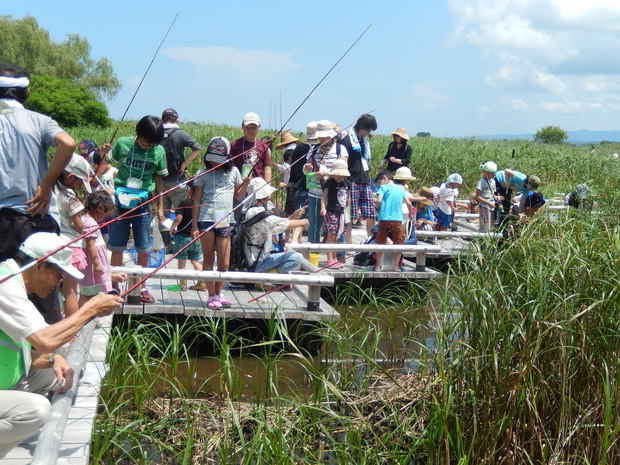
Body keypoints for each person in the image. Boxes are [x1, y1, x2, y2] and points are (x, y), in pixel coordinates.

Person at [0, 232, 123, 458]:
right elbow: (45, 340)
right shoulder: (5, 286)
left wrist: (52, 359)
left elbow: (32, 348)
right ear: (39, 266)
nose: (60, 283)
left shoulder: (12, 281)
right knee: (36, 410)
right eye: (59, 274)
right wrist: (91, 309)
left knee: (55, 369)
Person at [101, 115, 168, 304]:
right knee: (117, 245)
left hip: (143, 203)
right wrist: (103, 152)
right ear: (138, 133)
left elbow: (159, 180)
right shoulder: (123, 143)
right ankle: (113, 287)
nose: (148, 145)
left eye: (153, 143)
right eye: (146, 140)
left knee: (144, 247)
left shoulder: (159, 150)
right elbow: (106, 163)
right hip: (120, 202)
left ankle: (141, 287)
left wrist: (160, 206)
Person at [191, 137, 249, 309]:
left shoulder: (234, 172)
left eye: (219, 160)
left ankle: (218, 292)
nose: (215, 163)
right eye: (212, 159)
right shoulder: (202, 173)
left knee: (224, 262)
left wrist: (245, 185)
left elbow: (238, 196)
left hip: (225, 219)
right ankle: (211, 296)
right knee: (208, 258)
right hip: (206, 218)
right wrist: (194, 225)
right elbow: (197, 200)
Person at [244, 178, 309, 284]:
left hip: (253, 259)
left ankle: (269, 277)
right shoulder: (258, 213)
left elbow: (275, 225)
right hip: (258, 262)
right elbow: (278, 225)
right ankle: (267, 278)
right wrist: (303, 222)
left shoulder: (249, 210)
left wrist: (293, 216)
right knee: (297, 258)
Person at [54, 154, 93, 316]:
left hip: (53, 245)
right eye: (79, 182)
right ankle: (72, 330)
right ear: (70, 177)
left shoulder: (50, 189)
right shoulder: (70, 198)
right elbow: (79, 226)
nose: (79, 186)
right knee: (70, 291)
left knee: (54, 287)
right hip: (72, 247)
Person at [303, 120, 348, 244]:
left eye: (324, 137)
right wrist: (306, 168)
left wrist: (325, 173)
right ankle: (313, 251)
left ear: (331, 135)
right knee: (314, 224)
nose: (321, 140)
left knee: (338, 225)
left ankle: (339, 253)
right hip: (315, 191)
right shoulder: (313, 149)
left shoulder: (340, 149)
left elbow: (343, 170)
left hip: (334, 194)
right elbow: (307, 168)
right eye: (320, 137)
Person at [339, 113, 378, 238]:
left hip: (364, 180)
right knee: (350, 215)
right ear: (362, 126)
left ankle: (371, 241)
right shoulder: (347, 139)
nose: (368, 132)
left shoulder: (364, 142)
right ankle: (349, 244)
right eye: (367, 129)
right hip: (351, 181)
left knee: (371, 213)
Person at [79, 191, 119, 303]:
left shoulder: (86, 219)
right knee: (88, 293)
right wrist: (97, 264)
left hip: (94, 263)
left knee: (92, 291)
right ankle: (83, 315)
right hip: (93, 264)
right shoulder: (91, 223)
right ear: (99, 210)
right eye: (105, 213)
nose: (105, 217)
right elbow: (90, 245)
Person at [159, 108, 202, 211]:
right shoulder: (181, 133)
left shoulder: (156, 133)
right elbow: (198, 148)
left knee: (162, 213)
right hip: (177, 179)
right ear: (177, 120)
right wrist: (184, 164)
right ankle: (178, 227)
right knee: (180, 212)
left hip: (159, 180)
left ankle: (164, 227)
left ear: (162, 120)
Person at [374, 167, 413, 271]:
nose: (380, 184)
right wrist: (410, 216)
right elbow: (409, 203)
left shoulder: (383, 188)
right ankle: (396, 266)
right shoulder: (401, 189)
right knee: (399, 242)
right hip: (397, 220)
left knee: (380, 242)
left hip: (384, 219)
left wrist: (377, 208)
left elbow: (378, 201)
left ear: (384, 178)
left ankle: (378, 266)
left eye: (379, 182)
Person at [170, 181, 203, 291]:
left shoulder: (184, 202)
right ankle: (202, 283)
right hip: (196, 238)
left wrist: (172, 227)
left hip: (183, 238)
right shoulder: (202, 204)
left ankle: (182, 285)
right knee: (195, 261)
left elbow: (178, 218)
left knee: (182, 262)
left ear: (189, 190)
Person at [320, 159, 351, 269]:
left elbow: (348, 198)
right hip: (331, 211)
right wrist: (323, 208)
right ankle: (329, 259)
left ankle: (334, 258)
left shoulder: (347, 183)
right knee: (330, 235)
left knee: (338, 235)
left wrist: (349, 211)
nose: (340, 177)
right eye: (338, 175)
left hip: (342, 213)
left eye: (342, 175)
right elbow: (324, 197)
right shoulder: (330, 182)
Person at [230, 112, 272, 182]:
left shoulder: (264, 147)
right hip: (239, 184)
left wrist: (267, 186)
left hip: (258, 186)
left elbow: (267, 168)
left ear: (259, 128)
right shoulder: (234, 145)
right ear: (242, 126)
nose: (250, 131)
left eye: (254, 128)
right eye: (247, 128)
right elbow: (230, 166)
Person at [475, 161, 500, 232]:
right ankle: (482, 239)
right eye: (487, 173)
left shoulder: (493, 182)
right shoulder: (481, 182)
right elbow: (478, 196)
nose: (489, 175)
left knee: (492, 224)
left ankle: (487, 239)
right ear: (483, 172)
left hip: (492, 205)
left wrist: (497, 197)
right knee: (485, 224)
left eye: (491, 174)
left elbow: (492, 193)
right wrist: (487, 202)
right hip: (484, 206)